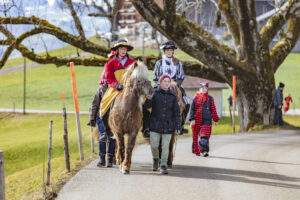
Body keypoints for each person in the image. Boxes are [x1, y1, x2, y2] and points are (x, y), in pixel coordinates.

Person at [142, 40, 189, 138]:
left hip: (176, 85)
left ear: (173, 51)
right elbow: (155, 77)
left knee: (187, 103)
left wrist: (176, 84)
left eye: (170, 50)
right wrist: (162, 84)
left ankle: (181, 125)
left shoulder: (178, 63)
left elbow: (181, 76)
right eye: (167, 50)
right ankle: (146, 128)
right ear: (164, 51)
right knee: (147, 102)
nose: (169, 52)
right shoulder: (159, 63)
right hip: (160, 85)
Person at [144, 75, 181, 175]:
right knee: (154, 146)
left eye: (168, 82)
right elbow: (147, 106)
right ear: (160, 82)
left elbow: (176, 112)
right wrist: (149, 97)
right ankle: (156, 159)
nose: (166, 83)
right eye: (164, 81)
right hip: (155, 124)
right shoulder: (155, 93)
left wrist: (178, 126)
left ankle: (163, 165)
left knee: (165, 147)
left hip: (168, 125)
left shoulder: (173, 96)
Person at [99, 39, 135, 141]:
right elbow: (109, 78)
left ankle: (146, 128)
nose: (123, 51)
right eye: (121, 49)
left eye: (125, 49)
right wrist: (117, 85)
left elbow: (135, 76)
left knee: (146, 103)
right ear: (117, 50)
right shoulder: (110, 63)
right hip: (116, 89)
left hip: (131, 88)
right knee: (104, 105)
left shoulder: (133, 62)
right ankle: (107, 131)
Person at [87, 51, 116, 167]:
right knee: (102, 137)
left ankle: (110, 159)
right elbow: (95, 104)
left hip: (114, 117)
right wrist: (92, 118)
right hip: (101, 116)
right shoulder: (101, 89)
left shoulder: (117, 89)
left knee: (112, 138)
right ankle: (101, 159)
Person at [189, 82, 219, 157]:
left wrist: (215, 120)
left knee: (204, 136)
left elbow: (213, 109)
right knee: (195, 136)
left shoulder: (210, 98)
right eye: (202, 88)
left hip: (206, 120)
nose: (204, 89)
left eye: (205, 88)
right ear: (200, 89)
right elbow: (192, 109)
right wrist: (192, 119)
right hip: (196, 119)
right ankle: (197, 150)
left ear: (207, 89)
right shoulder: (195, 98)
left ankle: (204, 150)